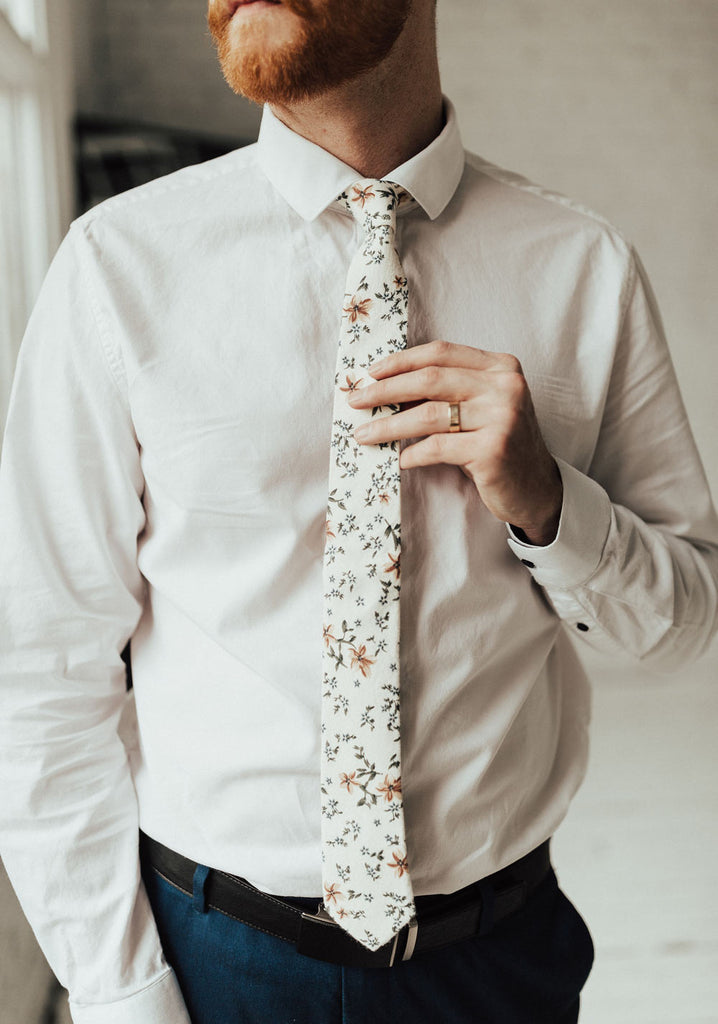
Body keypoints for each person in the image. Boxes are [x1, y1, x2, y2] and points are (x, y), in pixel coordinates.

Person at [1, 0, 716, 1021]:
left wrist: (553, 505)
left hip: (499, 966)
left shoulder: (581, 270)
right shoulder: (116, 273)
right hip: (207, 968)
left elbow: (684, 619)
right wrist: (123, 997)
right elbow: (41, 673)